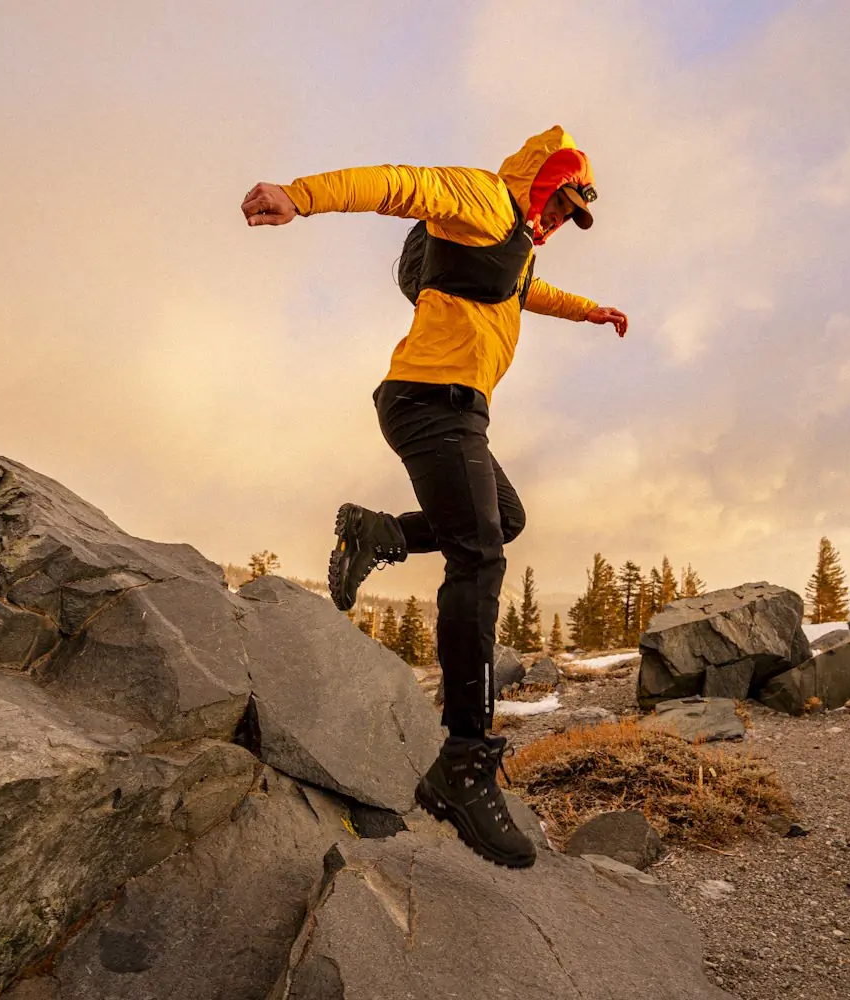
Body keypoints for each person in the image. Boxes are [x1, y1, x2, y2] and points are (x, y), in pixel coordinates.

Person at [241, 126, 628, 868]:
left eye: (569, 217)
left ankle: (380, 534)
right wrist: (300, 197)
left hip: (455, 411)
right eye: (559, 204)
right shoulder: (482, 199)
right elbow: (398, 183)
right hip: (430, 402)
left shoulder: (516, 248)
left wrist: (593, 311)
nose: (558, 221)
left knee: (504, 520)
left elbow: (533, 292)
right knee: (477, 559)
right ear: (543, 181)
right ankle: (464, 760)